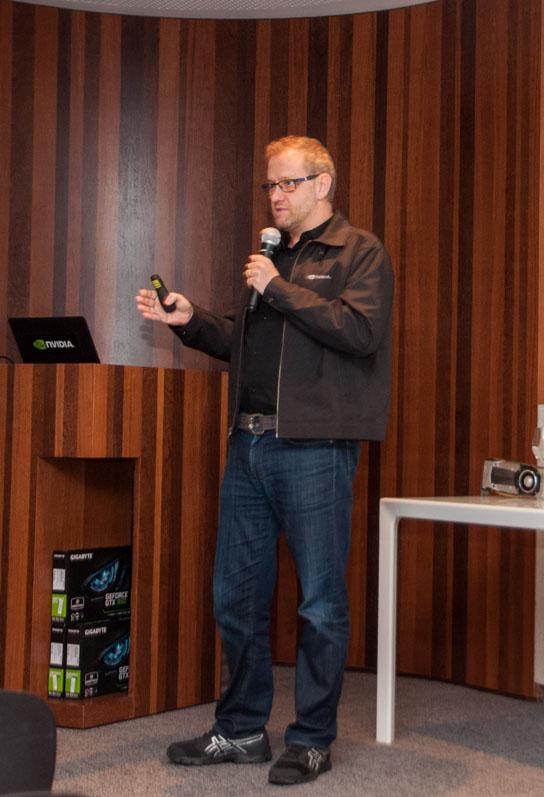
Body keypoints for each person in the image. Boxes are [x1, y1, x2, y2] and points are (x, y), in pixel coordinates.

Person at [135, 135, 394, 786]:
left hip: (314, 449)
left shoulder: (358, 252)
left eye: (287, 183)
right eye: (270, 185)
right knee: (236, 596)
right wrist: (191, 320)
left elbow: (359, 331)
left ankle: (311, 739)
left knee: (320, 604)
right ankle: (242, 729)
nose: (275, 195)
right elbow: (246, 344)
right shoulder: (272, 259)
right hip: (248, 445)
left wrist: (276, 288)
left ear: (322, 184)